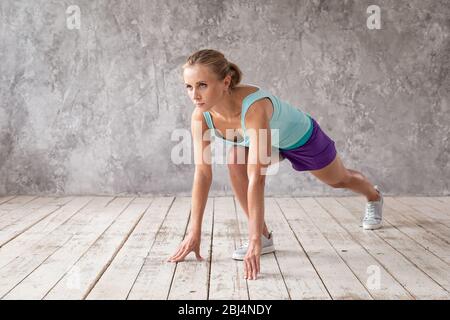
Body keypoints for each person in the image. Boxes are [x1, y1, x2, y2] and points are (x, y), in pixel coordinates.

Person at [168, 49, 383, 280]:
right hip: (262, 142)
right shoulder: (201, 116)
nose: (194, 95)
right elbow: (202, 173)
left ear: (225, 82)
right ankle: (263, 236)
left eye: (202, 85)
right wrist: (194, 232)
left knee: (340, 180)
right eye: (189, 87)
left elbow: (257, 178)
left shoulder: (253, 109)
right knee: (235, 160)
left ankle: (373, 196)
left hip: (301, 139)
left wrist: (251, 244)